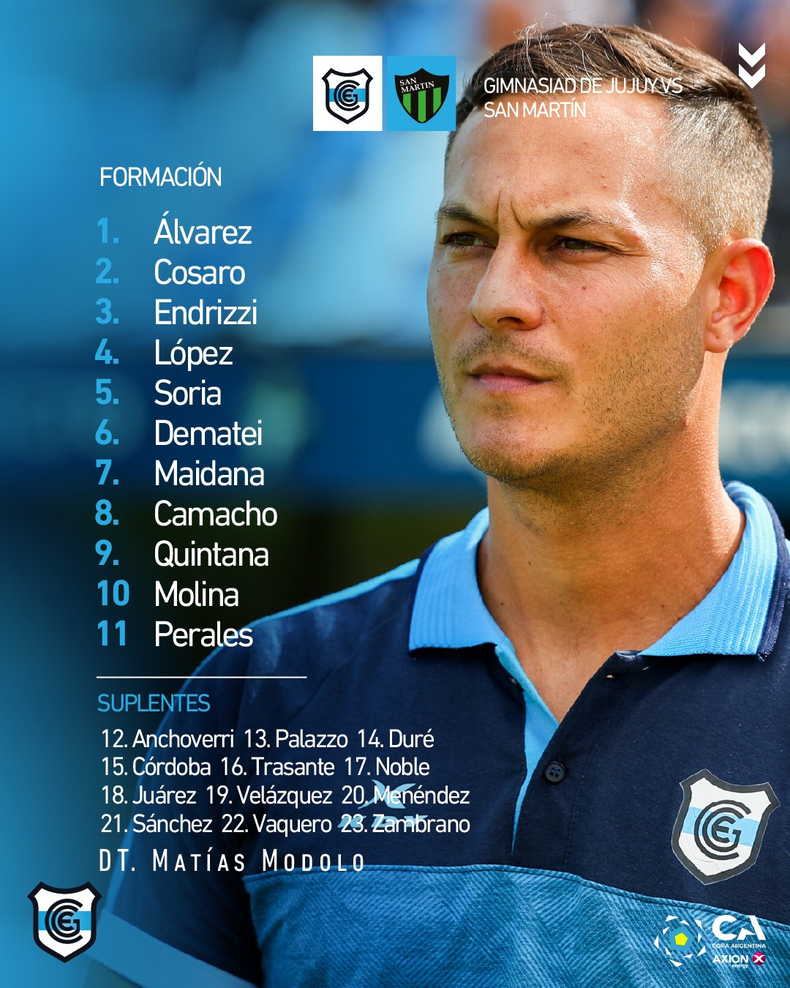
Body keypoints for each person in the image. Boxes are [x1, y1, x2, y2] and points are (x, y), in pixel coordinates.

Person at [88, 24, 790, 987]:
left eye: (572, 244)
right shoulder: (257, 697)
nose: (495, 297)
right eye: (465, 239)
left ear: (730, 296)